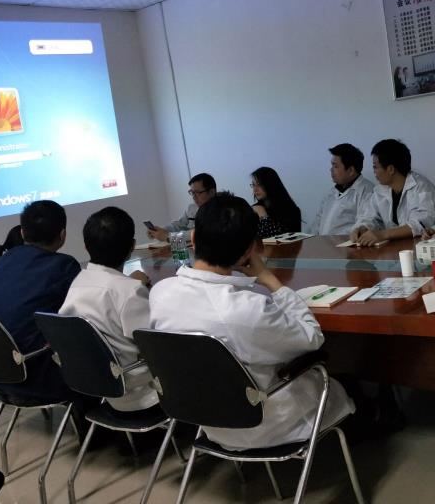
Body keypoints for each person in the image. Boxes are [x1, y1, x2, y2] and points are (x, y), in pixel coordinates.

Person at [148, 192, 354, 450]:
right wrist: (269, 279)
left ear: (193, 238)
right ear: (248, 252)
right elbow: (311, 337)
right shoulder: (247, 309)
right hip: (265, 422)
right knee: (348, 387)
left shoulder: (160, 294)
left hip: (202, 419)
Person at [0, 201, 85, 405]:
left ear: (22, 232)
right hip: (37, 377)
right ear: (63, 235)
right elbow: (83, 315)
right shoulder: (63, 266)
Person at [58, 207, 158, 412]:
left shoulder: (77, 283)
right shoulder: (130, 291)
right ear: (132, 246)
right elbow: (155, 345)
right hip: (140, 393)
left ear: (86, 246)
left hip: (96, 387)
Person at [350, 139, 435, 246]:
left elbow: (422, 224)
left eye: (375, 167)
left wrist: (383, 235)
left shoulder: (422, 187)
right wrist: (362, 228)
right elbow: (369, 216)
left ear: (391, 169)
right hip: (392, 249)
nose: (374, 172)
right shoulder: (380, 190)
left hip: (420, 247)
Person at [313, 143, 374, 236]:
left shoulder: (368, 192)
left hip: (347, 244)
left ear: (351, 171)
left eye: (335, 166)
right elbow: (317, 222)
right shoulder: (332, 192)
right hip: (321, 243)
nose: (331, 169)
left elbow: (365, 224)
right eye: (332, 165)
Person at [147, 173, 216, 242]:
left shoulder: (220, 211)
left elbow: (199, 233)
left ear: (211, 192)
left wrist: (169, 237)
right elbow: (180, 225)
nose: (194, 197)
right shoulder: (192, 207)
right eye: (192, 192)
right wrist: (160, 230)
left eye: (197, 192)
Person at [251, 167, 302, 238]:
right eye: (253, 185)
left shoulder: (292, 211)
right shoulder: (253, 210)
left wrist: (264, 217)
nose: (255, 189)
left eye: (259, 184)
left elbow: (287, 240)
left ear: (271, 184)